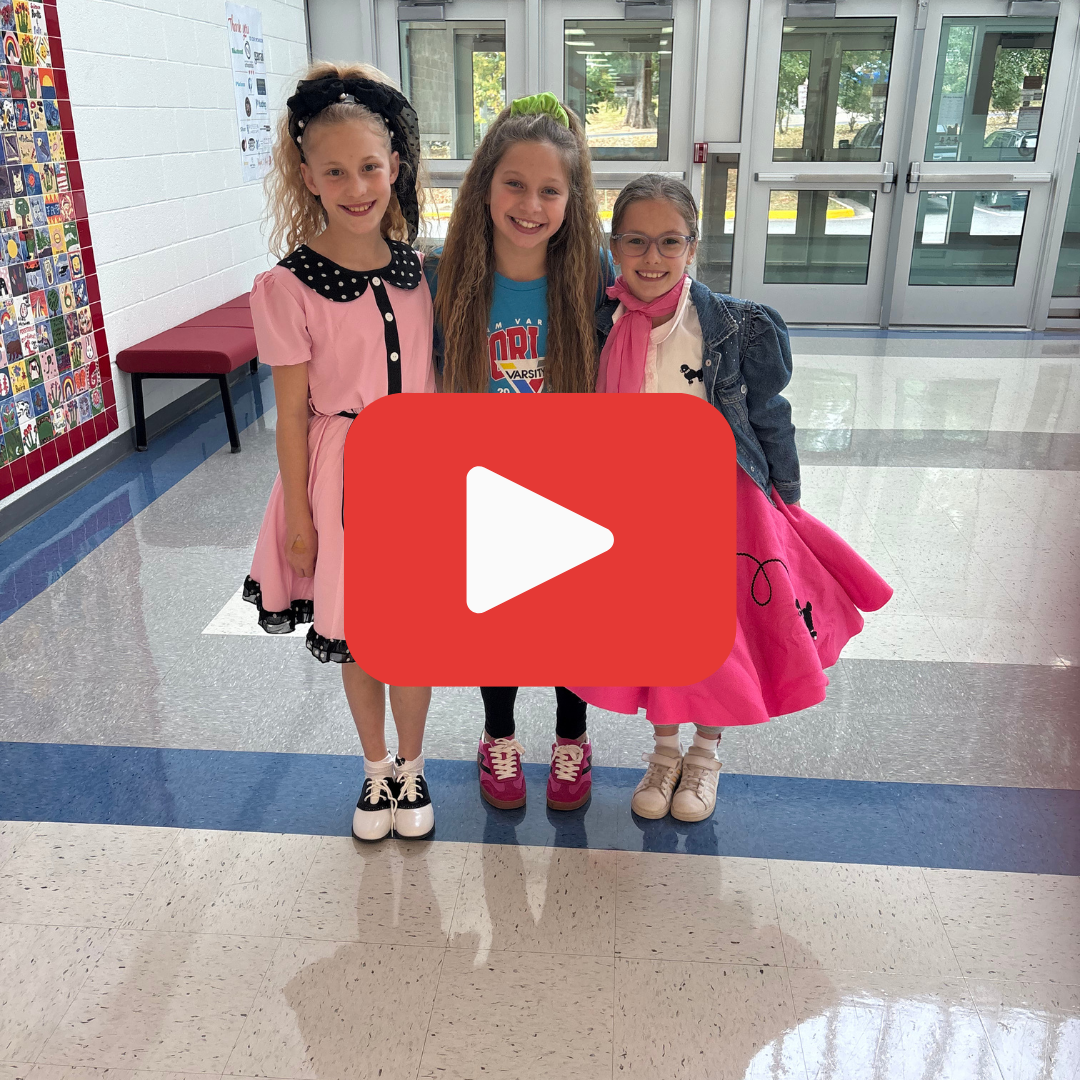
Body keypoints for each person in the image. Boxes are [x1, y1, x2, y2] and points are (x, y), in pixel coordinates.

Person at [568, 175, 893, 823]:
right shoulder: (597, 321)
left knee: (723, 638)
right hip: (637, 510)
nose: (651, 258)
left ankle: (706, 755)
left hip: (723, 507)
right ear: (614, 244)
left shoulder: (736, 327)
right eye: (636, 241)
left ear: (693, 248)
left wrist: (787, 502)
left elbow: (769, 415)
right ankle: (664, 754)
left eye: (669, 242)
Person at [242, 62, 436, 843]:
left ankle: (416, 767)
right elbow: (292, 416)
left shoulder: (422, 269)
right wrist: (298, 516)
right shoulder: (285, 288)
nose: (357, 186)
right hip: (341, 478)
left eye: (370, 167)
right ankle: (375, 767)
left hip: (420, 470)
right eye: (335, 171)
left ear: (394, 169)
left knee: (413, 631)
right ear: (307, 177)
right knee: (359, 630)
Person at [429, 92, 611, 813]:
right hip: (485, 482)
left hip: (572, 479)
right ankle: (496, 735)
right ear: (484, 186)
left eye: (549, 190)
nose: (530, 204)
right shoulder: (447, 272)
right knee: (498, 620)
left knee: (572, 621)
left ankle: (573, 738)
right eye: (514, 184)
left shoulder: (592, 273)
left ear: (572, 198)